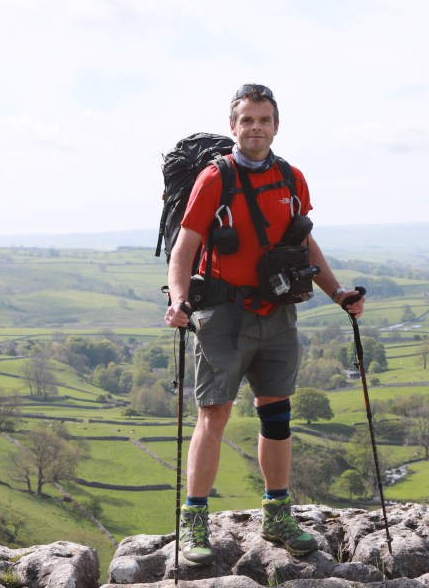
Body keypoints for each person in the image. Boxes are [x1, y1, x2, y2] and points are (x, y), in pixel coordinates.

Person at [164, 83, 364, 565]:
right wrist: (178, 300)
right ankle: (194, 522)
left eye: (264, 120)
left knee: (277, 413)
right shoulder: (215, 178)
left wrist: (337, 293)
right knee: (215, 414)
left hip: (277, 312)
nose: (256, 128)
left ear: (276, 125)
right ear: (234, 126)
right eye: (247, 120)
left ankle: (277, 515)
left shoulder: (293, 178)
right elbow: (184, 248)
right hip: (222, 315)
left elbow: (305, 244)